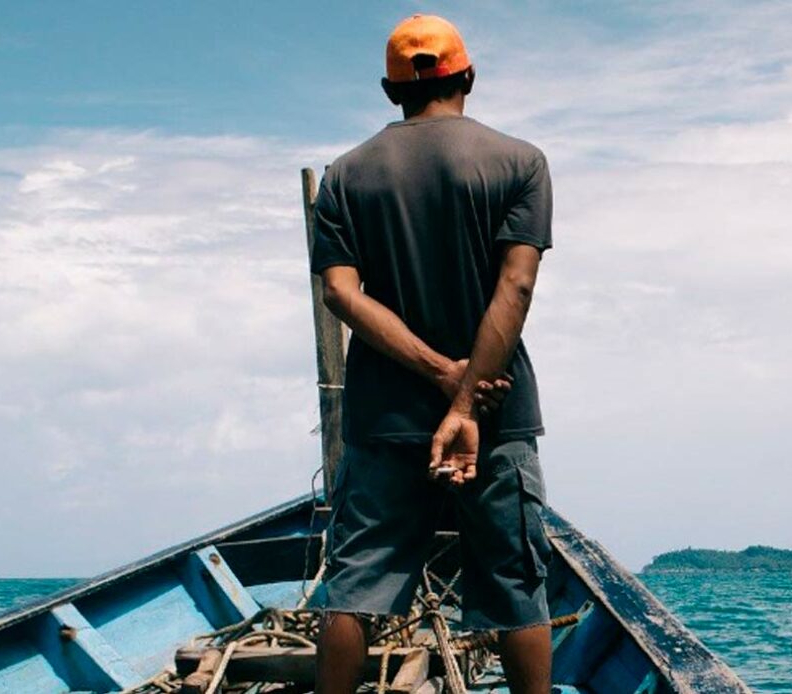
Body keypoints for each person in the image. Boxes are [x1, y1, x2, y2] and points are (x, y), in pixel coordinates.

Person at [310, 14, 554, 694]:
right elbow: (518, 282)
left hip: (384, 415)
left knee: (354, 586)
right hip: (497, 413)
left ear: (391, 92)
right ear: (468, 76)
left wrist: (443, 376)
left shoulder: (343, 177)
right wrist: (469, 393)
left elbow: (340, 294)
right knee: (515, 583)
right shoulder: (520, 161)